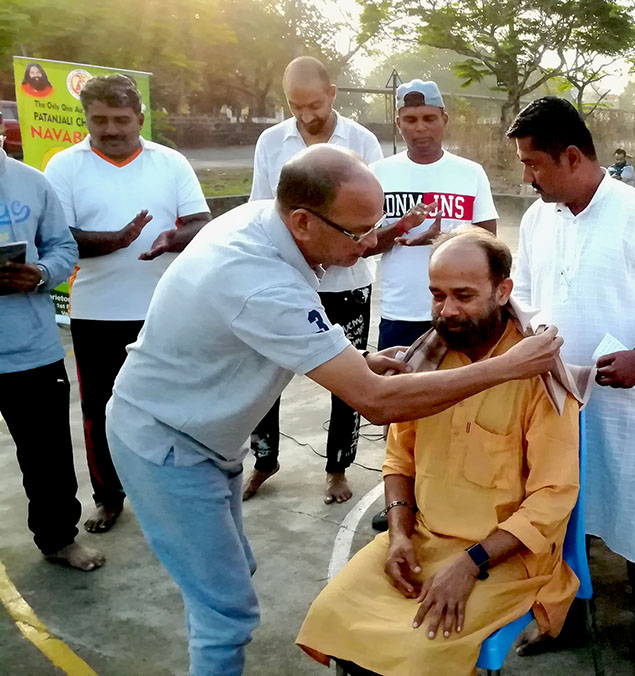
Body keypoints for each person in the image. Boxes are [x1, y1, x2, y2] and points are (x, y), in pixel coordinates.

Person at [104, 145, 563, 676]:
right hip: (170, 444)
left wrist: (352, 359)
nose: (371, 244)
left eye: (377, 225)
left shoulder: (262, 222)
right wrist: (505, 368)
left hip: (493, 555)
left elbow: (551, 497)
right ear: (302, 221)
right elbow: (377, 407)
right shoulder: (258, 280)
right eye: (356, 232)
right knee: (225, 614)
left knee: (231, 577)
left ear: (503, 291)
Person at [297, 228, 582, 676]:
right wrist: (399, 534)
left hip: (507, 559)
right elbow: (399, 461)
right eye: (437, 295)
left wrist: (470, 564)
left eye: (463, 295)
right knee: (333, 615)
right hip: (424, 539)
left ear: (502, 291)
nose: (446, 311)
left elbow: (553, 498)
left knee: (420, 652)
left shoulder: (538, 374)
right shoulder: (425, 362)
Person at [507, 97, 635, 676]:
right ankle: (557, 619)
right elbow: (527, 295)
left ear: (572, 157)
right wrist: (539, 335)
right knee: (555, 519)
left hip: (624, 406)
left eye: (535, 164)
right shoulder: (540, 218)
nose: (527, 176)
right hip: (557, 399)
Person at [44, 74, 211, 535]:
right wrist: (116, 239)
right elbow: (59, 237)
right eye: (100, 120)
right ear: (87, 119)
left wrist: (172, 237)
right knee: (101, 411)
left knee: (171, 405)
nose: (111, 129)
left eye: (121, 120)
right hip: (96, 312)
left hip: (165, 308)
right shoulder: (64, 166)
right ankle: (108, 497)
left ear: (140, 118)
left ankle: (174, 488)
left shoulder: (170, 163)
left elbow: (202, 221)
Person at [242, 56, 386, 505]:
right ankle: (265, 459)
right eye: (295, 106)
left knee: (350, 374)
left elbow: (371, 214)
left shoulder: (361, 140)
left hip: (347, 280)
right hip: (285, 280)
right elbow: (260, 209)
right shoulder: (271, 141)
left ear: (333, 94)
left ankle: (338, 467)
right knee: (265, 373)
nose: (305, 115)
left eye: (314, 105)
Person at [0, 112, 102, 571]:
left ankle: (59, 538)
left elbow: (63, 248)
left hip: (31, 350)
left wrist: (40, 273)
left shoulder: (31, 183)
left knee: (49, 459)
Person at [368, 79, 499, 352]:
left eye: (429, 118)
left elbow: (490, 245)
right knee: (400, 390)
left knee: (462, 392)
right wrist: (401, 227)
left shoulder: (470, 172)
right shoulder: (378, 174)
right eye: (410, 119)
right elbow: (360, 246)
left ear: (444, 119)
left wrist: (445, 241)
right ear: (398, 123)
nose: (420, 128)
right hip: (401, 313)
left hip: (460, 313)